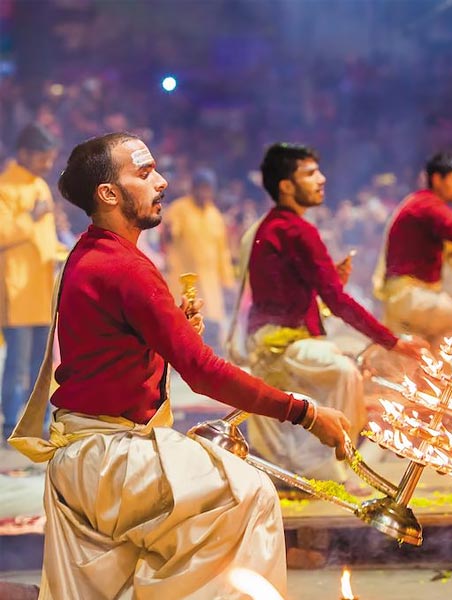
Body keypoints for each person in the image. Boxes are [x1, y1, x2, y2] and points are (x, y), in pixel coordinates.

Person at [9, 132, 350, 599]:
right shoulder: (124, 267)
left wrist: (174, 331)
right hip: (110, 459)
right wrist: (305, 412)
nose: (163, 182)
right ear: (108, 194)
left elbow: (113, 353)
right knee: (249, 495)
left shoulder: (94, 253)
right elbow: (204, 371)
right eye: (145, 173)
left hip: (88, 456)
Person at [241, 143, 425, 484]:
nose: (321, 179)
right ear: (286, 185)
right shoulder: (296, 230)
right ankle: (331, 464)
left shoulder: (276, 226)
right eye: (310, 173)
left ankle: (331, 458)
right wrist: (394, 342)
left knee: (349, 362)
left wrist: (326, 285)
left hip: (281, 337)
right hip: (280, 345)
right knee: (344, 371)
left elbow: (295, 294)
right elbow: (338, 302)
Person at [374, 151, 452, 340]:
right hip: (410, 297)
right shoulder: (428, 206)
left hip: (413, 296)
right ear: (437, 179)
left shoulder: (423, 203)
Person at [0, 123, 61, 441]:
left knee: (40, 366)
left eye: (50, 158)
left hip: (41, 288)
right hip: (16, 289)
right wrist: (31, 217)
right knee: (18, 363)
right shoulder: (5, 187)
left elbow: (45, 238)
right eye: (43, 158)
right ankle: (11, 422)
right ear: (24, 153)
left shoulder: (40, 185)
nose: (48, 165)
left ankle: (34, 422)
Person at [162, 168, 235, 354]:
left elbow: (222, 252)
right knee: (183, 323)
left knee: (211, 324)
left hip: (210, 284)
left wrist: (227, 281)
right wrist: (169, 232)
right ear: (193, 189)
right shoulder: (179, 209)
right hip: (185, 281)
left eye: (208, 189)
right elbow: (170, 235)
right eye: (201, 188)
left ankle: (209, 362)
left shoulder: (215, 215)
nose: (205, 193)